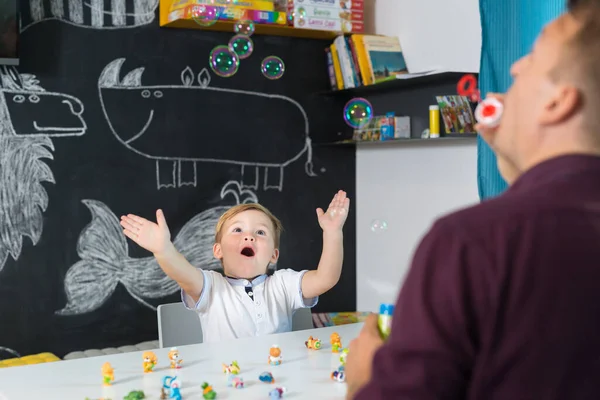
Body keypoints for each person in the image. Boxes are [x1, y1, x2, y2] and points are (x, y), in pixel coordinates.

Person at [345, 0, 600, 399]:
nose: (514, 68)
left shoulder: (470, 242)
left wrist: (365, 378)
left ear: (557, 102)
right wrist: (518, 162)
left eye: (532, 58)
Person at [120, 190, 349, 342]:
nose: (249, 237)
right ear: (218, 250)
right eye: (237, 230)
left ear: (273, 255)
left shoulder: (283, 284)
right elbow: (182, 272)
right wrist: (163, 250)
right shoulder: (211, 286)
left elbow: (325, 278)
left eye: (260, 232)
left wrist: (332, 232)